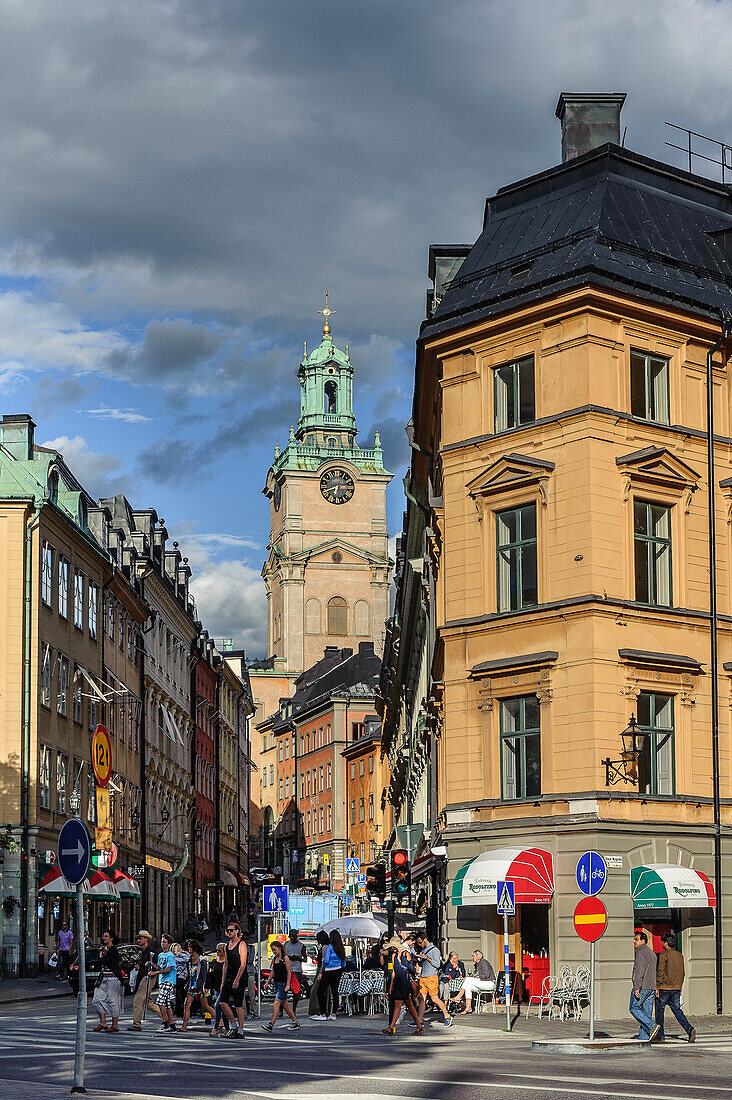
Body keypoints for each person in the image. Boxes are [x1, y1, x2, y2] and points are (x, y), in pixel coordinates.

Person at [655, 933, 695, 1042]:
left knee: (659, 1012)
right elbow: (682, 972)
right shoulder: (679, 955)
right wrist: (679, 986)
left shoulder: (664, 955)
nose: (662, 943)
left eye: (662, 941)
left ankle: (660, 1035)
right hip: (676, 988)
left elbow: (660, 972)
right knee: (677, 1011)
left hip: (665, 987)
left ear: (666, 943)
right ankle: (689, 1029)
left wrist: (657, 986)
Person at [382, 937, 422, 1037]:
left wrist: (400, 961)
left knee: (398, 1004)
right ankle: (419, 1026)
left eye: (393, 946)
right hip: (398, 982)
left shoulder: (405, 954)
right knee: (409, 1005)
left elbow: (412, 969)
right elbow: (394, 973)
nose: (392, 948)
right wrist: (390, 987)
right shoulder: (394, 955)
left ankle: (391, 1027)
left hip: (404, 982)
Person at [261, 940, 300, 1032]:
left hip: (283, 984)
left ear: (279, 948)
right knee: (285, 1004)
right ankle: (295, 1021)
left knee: (276, 1004)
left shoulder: (285, 958)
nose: (274, 951)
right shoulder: (275, 959)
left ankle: (271, 1024)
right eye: (272, 950)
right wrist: (267, 982)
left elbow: (289, 972)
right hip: (277, 983)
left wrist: (287, 984)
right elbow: (273, 971)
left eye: (274, 949)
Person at [415, 933, 452, 1028]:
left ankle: (447, 1016)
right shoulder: (424, 949)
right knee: (422, 999)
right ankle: (419, 1020)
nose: (419, 945)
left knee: (434, 998)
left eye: (420, 942)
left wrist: (426, 958)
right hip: (423, 976)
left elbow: (437, 964)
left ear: (425, 939)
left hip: (431, 977)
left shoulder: (435, 950)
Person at [128, 930, 162, 1031]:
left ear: (146, 939)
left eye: (140, 938)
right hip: (143, 978)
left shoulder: (152, 952)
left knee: (138, 1000)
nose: (138, 940)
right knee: (149, 1003)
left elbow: (157, 967)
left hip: (148, 978)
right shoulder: (142, 952)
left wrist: (146, 966)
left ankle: (136, 1024)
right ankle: (168, 1018)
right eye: (138, 938)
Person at [630, 930, 661, 1042]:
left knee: (634, 1008)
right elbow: (654, 971)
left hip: (643, 986)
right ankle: (644, 1036)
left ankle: (652, 1026)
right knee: (646, 1013)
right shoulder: (652, 953)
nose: (634, 941)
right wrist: (656, 987)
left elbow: (639, 970)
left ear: (643, 941)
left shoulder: (640, 951)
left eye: (636, 939)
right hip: (651, 986)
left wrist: (637, 987)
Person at [91, 929, 124, 1033]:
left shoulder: (113, 950)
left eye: (106, 936)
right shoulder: (103, 949)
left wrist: (101, 958)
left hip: (113, 978)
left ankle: (115, 1025)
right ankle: (103, 1022)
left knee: (113, 1001)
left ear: (111, 938)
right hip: (103, 978)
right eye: (103, 936)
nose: (104, 938)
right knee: (97, 999)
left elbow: (104, 961)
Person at [220, 920, 248, 1038]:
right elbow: (225, 964)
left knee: (238, 1004)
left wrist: (237, 979)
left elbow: (243, 964)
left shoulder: (242, 944)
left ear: (237, 931)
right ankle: (233, 1024)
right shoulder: (227, 946)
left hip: (239, 977)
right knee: (222, 1002)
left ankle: (241, 1030)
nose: (229, 932)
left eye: (231, 930)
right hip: (229, 977)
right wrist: (223, 981)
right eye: (228, 930)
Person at [314, 930, 346, 1021]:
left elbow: (326, 960)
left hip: (328, 970)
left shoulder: (329, 947)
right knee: (335, 992)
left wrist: (321, 971)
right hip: (338, 970)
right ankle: (333, 1014)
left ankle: (323, 1014)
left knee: (320, 992)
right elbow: (344, 962)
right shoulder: (341, 948)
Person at [150, 933, 178, 1032]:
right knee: (167, 1005)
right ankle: (172, 1025)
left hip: (169, 981)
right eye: (162, 941)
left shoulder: (170, 955)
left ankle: (165, 1023)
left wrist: (156, 972)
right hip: (162, 981)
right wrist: (152, 964)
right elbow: (160, 967)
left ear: (169, 944)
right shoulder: (161, 955)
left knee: (159, 1002)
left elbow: (168, 969)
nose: (162, 944)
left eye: (165, 942)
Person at [181, 940, 209, 1031]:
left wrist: (203, 986)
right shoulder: (190, 959)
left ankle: (219, 1021)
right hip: (192, 986)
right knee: (187, 1004)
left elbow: (204, 974)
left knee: (205, 1006)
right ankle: (184, 1027)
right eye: (188, 947)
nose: (189, 948)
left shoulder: (202, 959)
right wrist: (187, 983)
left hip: (201, 986)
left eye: (190, 947)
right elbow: (190, 973)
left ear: (194, 947)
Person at [284, 928, 308, 1015]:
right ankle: (281, 1010)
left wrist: (297, 958)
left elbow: (305, 959)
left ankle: (294, 1009)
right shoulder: (286, 944)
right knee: (284, 990)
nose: (292, 939)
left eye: (294, 938)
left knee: (296, 991)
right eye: (291, 938)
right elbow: (282, 956)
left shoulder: (301, 946)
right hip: (287, 969)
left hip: (297, 970)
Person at [206, 943, 227, 1037]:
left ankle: (216, 1028)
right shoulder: (215, 961)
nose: (217, 952)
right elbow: (210, 975)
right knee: (223, 1008)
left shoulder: (226, 962)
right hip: (216, 987)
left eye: (219, 951)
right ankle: (227, 1028)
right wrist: (207, 986)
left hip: (224, 987)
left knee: (217, 1005)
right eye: (217, 950)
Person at [309, 930, 331, 1018]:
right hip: (325, 970)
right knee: (324, 991)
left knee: (315, 991)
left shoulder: (324, 947)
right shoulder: (327, 947)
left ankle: (318, 1010)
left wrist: (320, 973)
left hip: (322, 970)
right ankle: (324, 1010)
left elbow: (324, 961)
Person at [171, 942, 191, 1021]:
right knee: (179, 997)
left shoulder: (175, 956)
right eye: (179, 948)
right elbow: (188, 958)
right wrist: (181, 953)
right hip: (179, 978)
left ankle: (183, 1015)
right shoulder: (175, 957)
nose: (181, 949)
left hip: (181, 977)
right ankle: (179, 1016)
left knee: (182, 997)